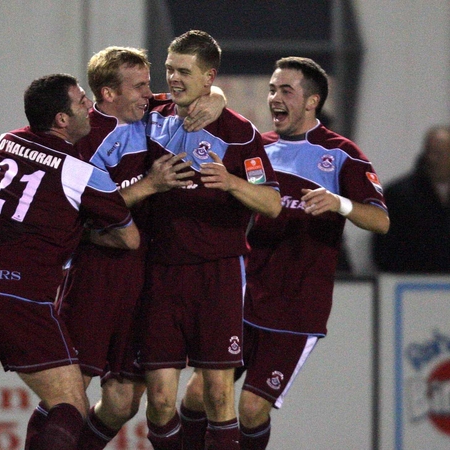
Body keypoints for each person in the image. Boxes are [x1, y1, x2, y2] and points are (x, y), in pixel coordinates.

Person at [0, 73, 145, 450]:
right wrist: (82, 228)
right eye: (80, 102)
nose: (88, 107)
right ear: (61, 119)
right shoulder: (83, 173)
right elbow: (129, 237)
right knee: (71, 403)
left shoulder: (6, 141)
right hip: (20, 293)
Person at [179, 56, 389, 450]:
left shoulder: (340, 154)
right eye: (272, 89)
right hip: (243, 297)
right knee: (197, 394)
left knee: (252, 409)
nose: (275, 97)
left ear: (312, 101)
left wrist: (339, 203)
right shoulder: (259, 147)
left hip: (296, 306)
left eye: (285, 90)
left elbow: (380, 221)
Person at [22, 46, 226, 450]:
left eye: (149, 83)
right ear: (108, 94)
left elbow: (205, 96)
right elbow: (75, 210)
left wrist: (216, 100)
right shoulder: (81, 138)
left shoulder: (153, 115)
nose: (149, 93)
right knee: (70, 393)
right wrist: (148, 185)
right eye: (139, 86)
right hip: (97, 276)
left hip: (146, 277)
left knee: (120, 401)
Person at [139, 30, 282, 450]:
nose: (174, 78)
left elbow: (271, 203)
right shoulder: (150, 115)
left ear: (209, 76)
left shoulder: (240, 135)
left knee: (219, 395)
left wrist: (232, 182)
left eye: (185, 71)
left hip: (217, 273)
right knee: (161, 401)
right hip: (159, 271)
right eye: (169, 69)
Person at [373, 124, 450, 272]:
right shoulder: (399, 195)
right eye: (431, 152)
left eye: (440, 154)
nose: (434, 160)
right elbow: (384, 250)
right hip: (410, 284)